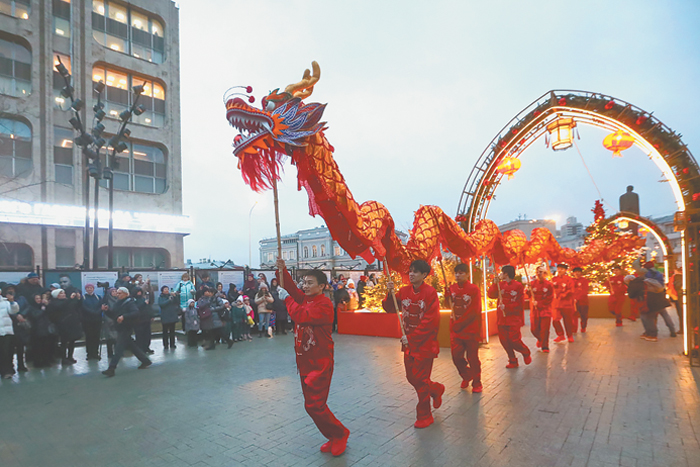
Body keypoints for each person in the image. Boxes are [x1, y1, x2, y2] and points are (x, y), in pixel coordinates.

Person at [276, 258, 350, 456]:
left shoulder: (324, 304)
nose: (305, 286)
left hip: (320, 363)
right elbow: (291, 288)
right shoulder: (305, 299)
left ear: (322, 286)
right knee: (311, 406)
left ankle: (340, 433)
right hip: (305, 362)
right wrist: (281, 270)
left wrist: (287, 298)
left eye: (310, 283)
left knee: (315, 405)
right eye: (304, 283)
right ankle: (334, 435)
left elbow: (300, 314)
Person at [383, 260, 445, 429]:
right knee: (412, 377)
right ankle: (436, 389)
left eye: (416, 272)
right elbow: (390, 308)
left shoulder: (430, 293)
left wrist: (412, 338)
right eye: (410, 271)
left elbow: (431, 321)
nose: (411, 274)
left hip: (424, 344)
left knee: (421, 379)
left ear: (424, 275)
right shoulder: (404, 291)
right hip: (408, 343)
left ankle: (425, 415)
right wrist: (389, 293)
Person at [488, 265, 531, 368]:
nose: (500, 275)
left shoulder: (518, 286)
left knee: (514, 340)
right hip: (501, 318)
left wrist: (507, 307)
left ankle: (525, 352)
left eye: (502, 273)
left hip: (513, 318)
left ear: (506, 273)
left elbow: (520, 303)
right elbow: (491, 295)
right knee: (504, 341)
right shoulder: (500, 285)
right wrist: (494, 284)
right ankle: (512, 360)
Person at [102, 287, 152, 377]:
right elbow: (114, 315)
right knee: (132, 346)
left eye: (120, 293)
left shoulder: (130, 302)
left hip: (126, 327)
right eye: (117, 293)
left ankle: (111, 368)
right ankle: (145, 361)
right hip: (120, 327)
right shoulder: (118, 303)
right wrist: (107, 311)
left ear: (126, 294)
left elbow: (135, 313)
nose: (118, 295)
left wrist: (124, 317)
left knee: (118, 348)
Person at [448, 263, 482, 392]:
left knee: (472, 358)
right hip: (456, 331)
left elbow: (474, 311)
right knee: (456, 356)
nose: (458, 275)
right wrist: (447, 297)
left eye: (461, 273)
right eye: (456, 273)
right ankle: (466, 375)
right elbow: (449, 305)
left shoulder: (474, 289)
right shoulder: (451, 288)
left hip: (470, 330)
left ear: (467, 274)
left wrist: (459, 324)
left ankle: (477, 383)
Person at [47, 288, 83, 365]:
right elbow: (61, 306)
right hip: (62, 324)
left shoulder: (67, 301)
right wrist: (70, 299)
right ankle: (63, 358)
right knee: (64, 342)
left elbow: (77, 306)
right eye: (61, 293)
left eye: (63, 293)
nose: (63, 294)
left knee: (72, 341)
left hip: (72, 323)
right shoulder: (54, 303)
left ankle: (70, 356)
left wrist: (79, 299)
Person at [643, 261, 676, 337]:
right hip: (661, 296)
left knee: (652, 316)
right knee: (665, 314)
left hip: (651, 297)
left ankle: (653, 332)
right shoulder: (658, 273)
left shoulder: (646, 275)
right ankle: (672, 329)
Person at [528, 265, 553, 353]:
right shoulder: (531, 284)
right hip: (534, 310)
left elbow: (550, 298)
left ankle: (545, 346)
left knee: (545, 329)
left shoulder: (549, 285)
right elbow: (527, 295)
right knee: (534, 329)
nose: (539, 274)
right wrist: (527, 290)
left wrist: (540, 303)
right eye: (538, 272)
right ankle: (540, 339)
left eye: (541, 272)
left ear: (545, 274)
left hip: (545, 309)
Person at [27, 293, 53, 368]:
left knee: (46, 346)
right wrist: (42, 310)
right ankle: (37, 362)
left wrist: (46, 306)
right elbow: (35, 315)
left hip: (45, 329)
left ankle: (46, 361)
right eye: (37, 299)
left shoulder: (43, 306)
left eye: (39, 298)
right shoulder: (31, 307)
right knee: (37, 347)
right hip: (36, 330)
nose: (39, 300)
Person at [551, 263, 575, 343]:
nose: (559, 270)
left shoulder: (569, 279)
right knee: (555, 319)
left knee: (567, 320)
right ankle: (560, 335)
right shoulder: (553, 279)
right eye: (558, 269)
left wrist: (564, 294)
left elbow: (571, 290)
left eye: (562, 269)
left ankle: (569, 335)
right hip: (556, 303)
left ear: (565, 270)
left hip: (566, 303)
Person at [81, 283, 103, 361]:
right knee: (89, 337)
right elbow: (83, 308)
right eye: (88, 288)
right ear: (86, 289)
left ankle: (95, 353)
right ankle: (89, 354)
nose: (89, 289)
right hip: (87, 321)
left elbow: (101, 306)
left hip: (97, 320)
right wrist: (94, 312)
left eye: (91, 288)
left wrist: (98, 311)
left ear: (93, 289)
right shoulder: (83, 298)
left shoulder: (98, 297)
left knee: (96, 337)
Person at [0, 288, 17, 378]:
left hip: (7, 331)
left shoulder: (5, 302)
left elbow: (14, 311)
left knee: (6, 352)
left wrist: (12, 302)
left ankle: (6, 371)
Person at [158, 286, 180, 350]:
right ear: (162, 291)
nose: (167, 290)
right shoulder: (161, 297)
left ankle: (172, 344)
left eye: (167, 289)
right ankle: (165, 344)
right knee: (165, 331)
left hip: (172, 315)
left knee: (172, 331)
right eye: (165, 289)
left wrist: (175, 296)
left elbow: (177, 302)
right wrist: (169, 300)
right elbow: (161, 304)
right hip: (165, 316)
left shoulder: (171, 296)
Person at [133, 288, 154, 354]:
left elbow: (149, 307)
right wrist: (144, 304)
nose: (139, 293)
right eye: (138, 292)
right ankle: (140, 349)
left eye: (140, 292)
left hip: (146, 319)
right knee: (139, 335)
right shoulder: (134, 300)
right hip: (138, 320)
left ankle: (146, 347)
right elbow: (136, 308)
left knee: (147, 335)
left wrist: (151, 315)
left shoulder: (143, 298)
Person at [101, 288, 120, 359]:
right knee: (109, 338)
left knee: (117, 337)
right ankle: (110, 353)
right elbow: (106, 311)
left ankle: (117, 352)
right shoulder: (107, 300)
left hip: (117, 320)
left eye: (116, 291)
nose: (114, 293)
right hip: (109, 321)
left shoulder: (119, 300)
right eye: (113, 292)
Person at [572, 267, 590, 333]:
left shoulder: (584, 280)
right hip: (573, 302)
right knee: (573, 315)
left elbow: (584, 291)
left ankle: (583, 327)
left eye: (578, 272)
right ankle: (574, 329)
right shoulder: (571, 280)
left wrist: (577, 298)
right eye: (575, 272)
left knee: (584, 315)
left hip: (583, 301)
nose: (577, 273)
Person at [667, 267, 683, 333]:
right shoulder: (689, 275)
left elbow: (675, 287)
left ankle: (682, 329)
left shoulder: (677, 277)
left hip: (679, 298)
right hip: (681, 298)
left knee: (681, 314)